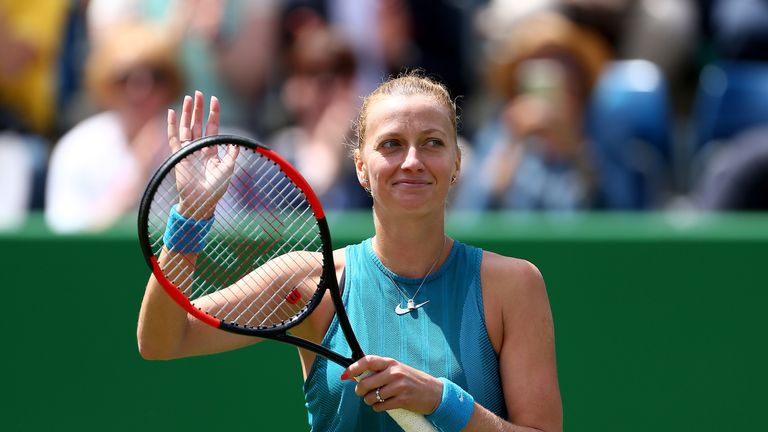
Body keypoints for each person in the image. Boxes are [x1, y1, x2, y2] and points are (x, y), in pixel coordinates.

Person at [137, 74, 562, 431]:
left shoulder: (513, 285)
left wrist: (442, 400)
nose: (412, 160)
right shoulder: (310, 282)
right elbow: (162, 340)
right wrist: (191, 217)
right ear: (360, 166)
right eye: (391, 144)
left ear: (456, 164)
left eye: (432, 143)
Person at [45, 22, 183, 233]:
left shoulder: (201, 145)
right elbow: (67, 240)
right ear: (105, 84)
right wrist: (133, 179)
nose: (141, 89)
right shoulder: (75, 148)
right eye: (125, 77)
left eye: (156, 76)